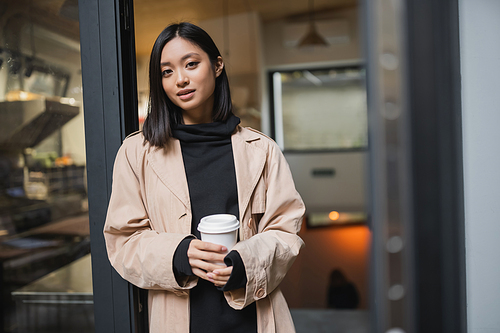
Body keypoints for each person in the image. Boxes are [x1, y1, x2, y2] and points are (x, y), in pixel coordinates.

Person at [103, 22, 305, 333]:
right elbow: (123, 241)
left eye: (191, 64)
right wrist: (179, 254)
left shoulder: (261, 150)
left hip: (253, 318)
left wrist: (243, 264)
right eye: (166, 72)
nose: (180, 79)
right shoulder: (136, 152)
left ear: (217, 65)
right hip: (179, 319)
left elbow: (285, 232)